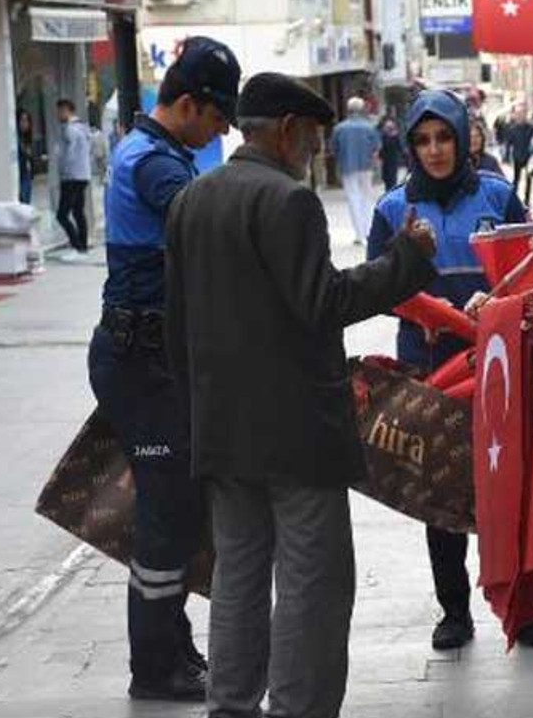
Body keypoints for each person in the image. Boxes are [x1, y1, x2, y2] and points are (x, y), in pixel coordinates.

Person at [165, 72, 438, 718]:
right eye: (312, 138)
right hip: (296, 434)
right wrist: (405, 260)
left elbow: (176, 323)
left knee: (237, 576)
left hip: (224, 430)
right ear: (287, 131)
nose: (314, 151)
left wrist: (196, 412)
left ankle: (230, 704)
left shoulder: (191, 200)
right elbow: (325, 301)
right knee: (313, 584)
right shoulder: (287, 201)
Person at [367, 89, 533, 653]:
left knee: (511, 486)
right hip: (427, 364)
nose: (434, 150)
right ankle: (454, 610)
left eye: (444, 137)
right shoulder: (392, 209)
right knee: (441, 490)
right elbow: (379, 285)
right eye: (423, 140)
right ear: (410, 145)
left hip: (497, 361)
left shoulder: (499, 197)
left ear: (462, 136)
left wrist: (494, 300)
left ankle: (527, 611)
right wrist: (427, 310)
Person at [91, 35, 241, 703]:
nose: (220, 132)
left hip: (156, 357)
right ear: (187, 104)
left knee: (177, 507)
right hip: (138, 360)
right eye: (217, 119)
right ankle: (154, 666)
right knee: (164, 509)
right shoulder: (153, 162)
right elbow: (212, 227)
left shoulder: (166, 152)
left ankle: (172, 645)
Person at [330, 96, 382, 245]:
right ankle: (368, 231)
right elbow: (377, 148)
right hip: (366, 166)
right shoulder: (369, 127)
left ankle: (359, 234)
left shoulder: (339, 128)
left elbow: (333, 149)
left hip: (347, 166)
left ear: (348, 110)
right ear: (362, 109)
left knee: (353, 198)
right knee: (367, 198)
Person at [56, 98, 93, 260]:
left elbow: (69, 153)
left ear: (66, 110)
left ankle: (77, 246)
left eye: (60, 110)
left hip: (71, 176)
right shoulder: (83, 128)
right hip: (83, 174)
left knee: (62, 214)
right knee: (78, 211)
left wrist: (63, 170)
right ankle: (82, 247)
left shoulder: (69, 129)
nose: (58, 114)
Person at [506, 105, 533, 198]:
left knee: (528, 179)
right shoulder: (512, 129)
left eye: (522, 113)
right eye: (518, 114)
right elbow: (508, 144)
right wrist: (506, 157)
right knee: (516, 179)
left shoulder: (531, 128)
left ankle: (527, 199)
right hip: (517, 156)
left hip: (528, 156)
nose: (520, 116)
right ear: (515, 115)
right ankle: (513, 197)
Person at [378, 116, 403, 191]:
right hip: (385, 161)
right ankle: (388, 191)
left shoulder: (395, 137)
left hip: (393, 160)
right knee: (386, 178)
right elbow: (381, 149)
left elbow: (400, 148)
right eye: (387, 127)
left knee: (392, 179)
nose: (389, 129)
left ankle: (391, 191)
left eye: (390, 127)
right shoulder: (383, 136)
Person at [17, 109, 35, 205]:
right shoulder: (16, 140)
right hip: (20, 176)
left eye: (27, 120)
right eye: (22, 120)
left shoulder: (27, 139)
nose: (25, 124)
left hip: (27, 176)